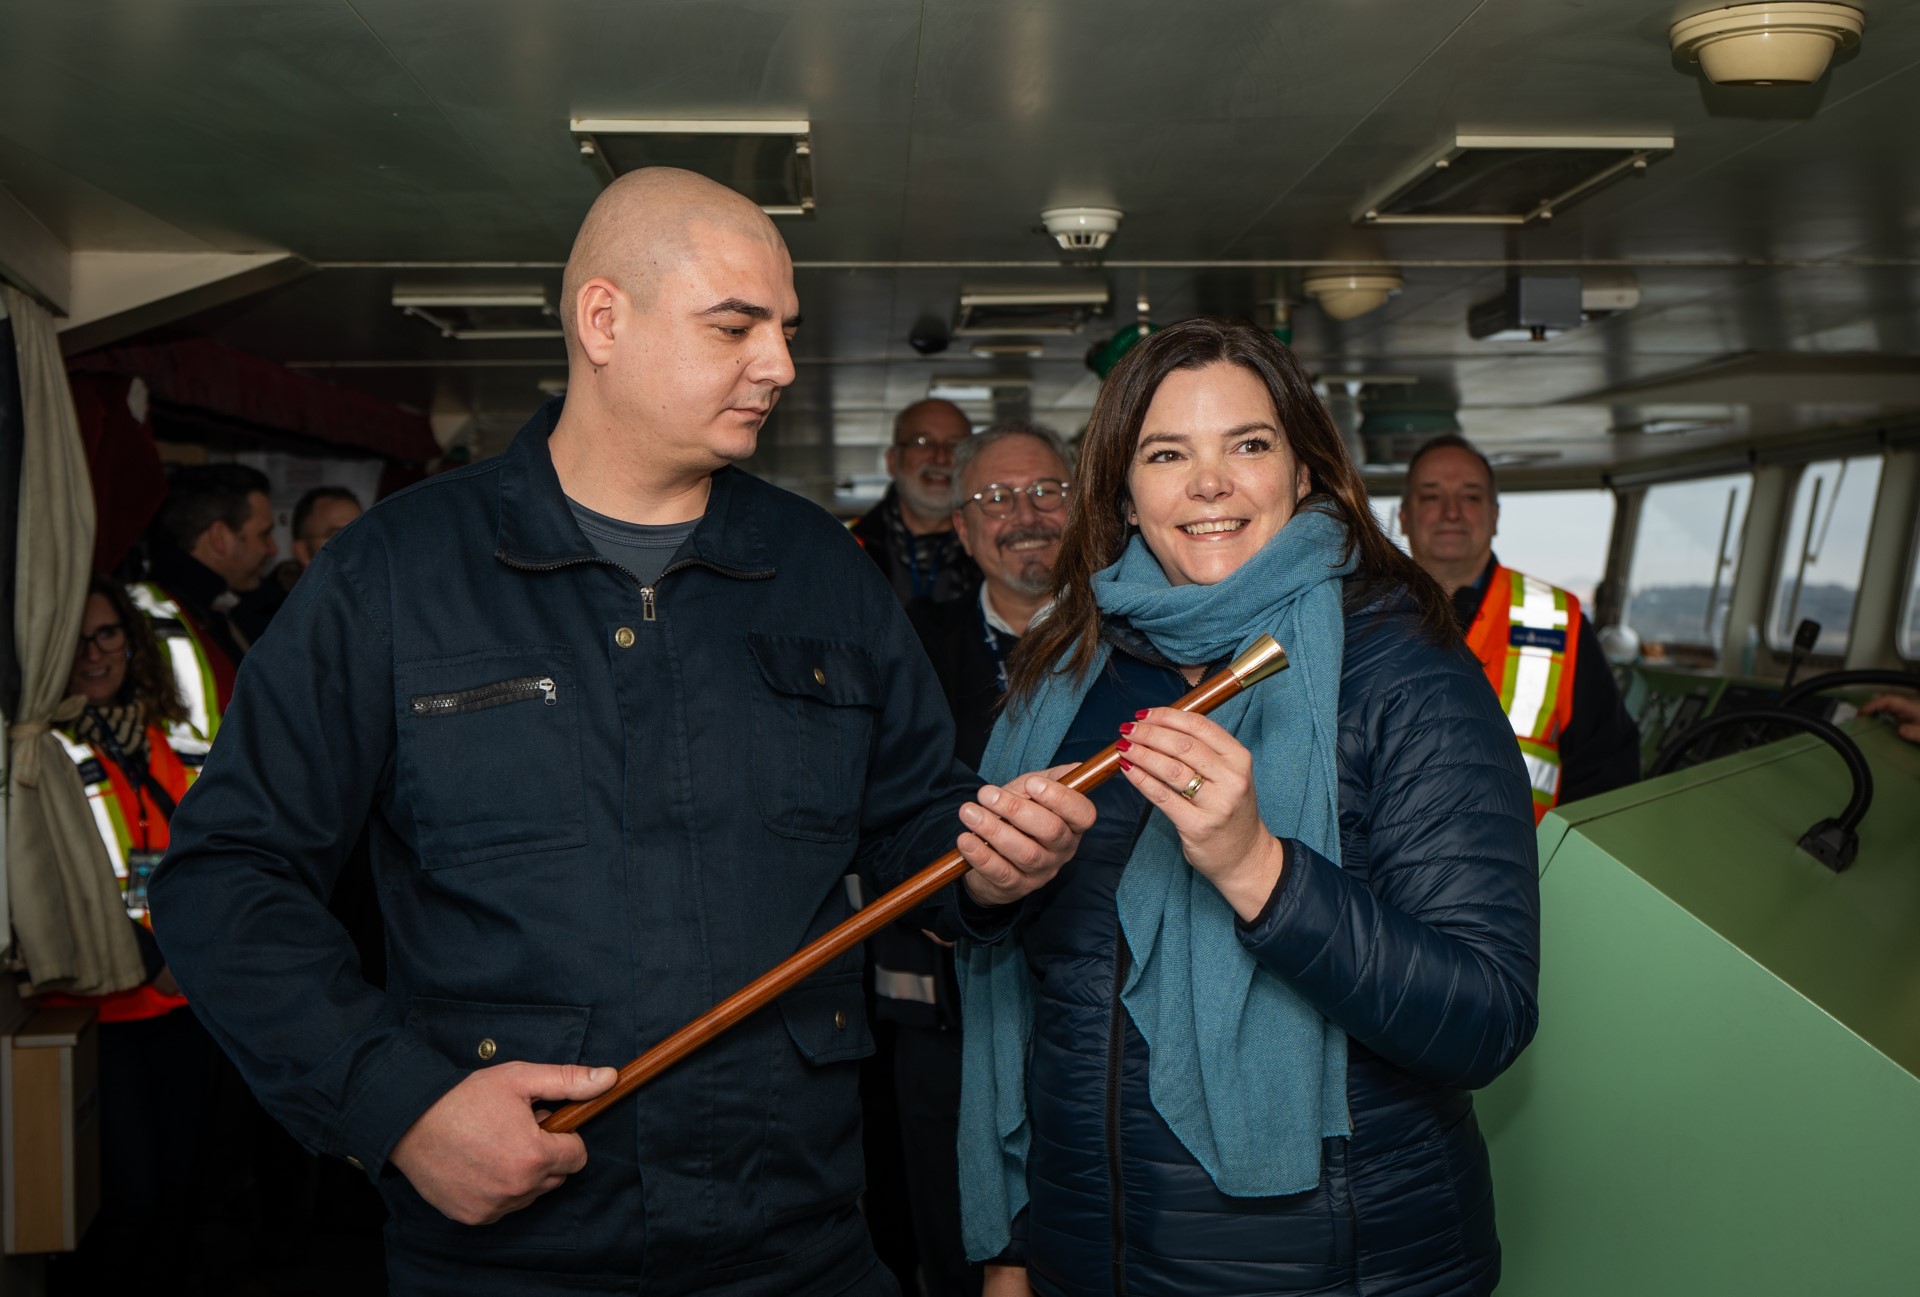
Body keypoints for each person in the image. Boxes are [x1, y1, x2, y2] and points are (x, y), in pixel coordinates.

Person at [150, 167, 1093, 1297]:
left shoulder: (819, 573)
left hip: (798, 1233)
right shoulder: (395, 575)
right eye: (737, 326)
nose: (782, 365)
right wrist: (394, 1106)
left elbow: (912, 824)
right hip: (511, 1252)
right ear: (604, 320)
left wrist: (992, 867)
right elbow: (225, 876)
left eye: (785, 330)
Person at [952, 318, 1540, 1297]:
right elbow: (1034, 1001)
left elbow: (1484, 1019)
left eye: (1248, 445)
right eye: (1168, 453)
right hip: (1082, 1256)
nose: (1209, 482)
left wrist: (1257, 868)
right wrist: (1015, 1248)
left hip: (1335, 1268)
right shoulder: (1063, 675)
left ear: (1306, 472)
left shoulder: (1408, 674)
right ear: (1126, 496)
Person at [875, 421, 1074, 1297]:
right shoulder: (905, 644)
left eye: (1046, 492)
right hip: (947, 1017)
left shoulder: (1149, 630)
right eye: (995, 499)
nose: (1024, 515)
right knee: (958, 1250)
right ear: (960, 528)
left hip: (1097, 1004)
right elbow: (874, 815)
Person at [41, 577, 209, 1296]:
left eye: (107, 633)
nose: (95, 653)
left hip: (185, 1001)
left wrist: (187, 956)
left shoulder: (167, 734)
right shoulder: (38, 750)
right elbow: (52, 881)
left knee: (185, 1187)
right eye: (77, 641)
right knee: (122, 1198)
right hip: (94, 1009)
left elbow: (215, 852)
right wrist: (151, 961)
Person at [1398, 434, 1639, 821]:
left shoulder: (1559, 619)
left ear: (1494, 517)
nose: (1452, 512)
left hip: (1531, 872)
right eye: (1431, 496)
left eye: (1471, 497)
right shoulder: (1361, 614)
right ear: (1404, 516)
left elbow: (1607, 769)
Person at [135, 462, 280, 738]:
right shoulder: (160, 615)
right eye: (264, 533)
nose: (272, 549)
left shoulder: (219, 608)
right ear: (219, 538)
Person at [852, 398, 982, 605]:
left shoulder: (996, 548)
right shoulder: (850, 547)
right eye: (923, 442)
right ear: (893, 461)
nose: (940, 458)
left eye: (954, 445)